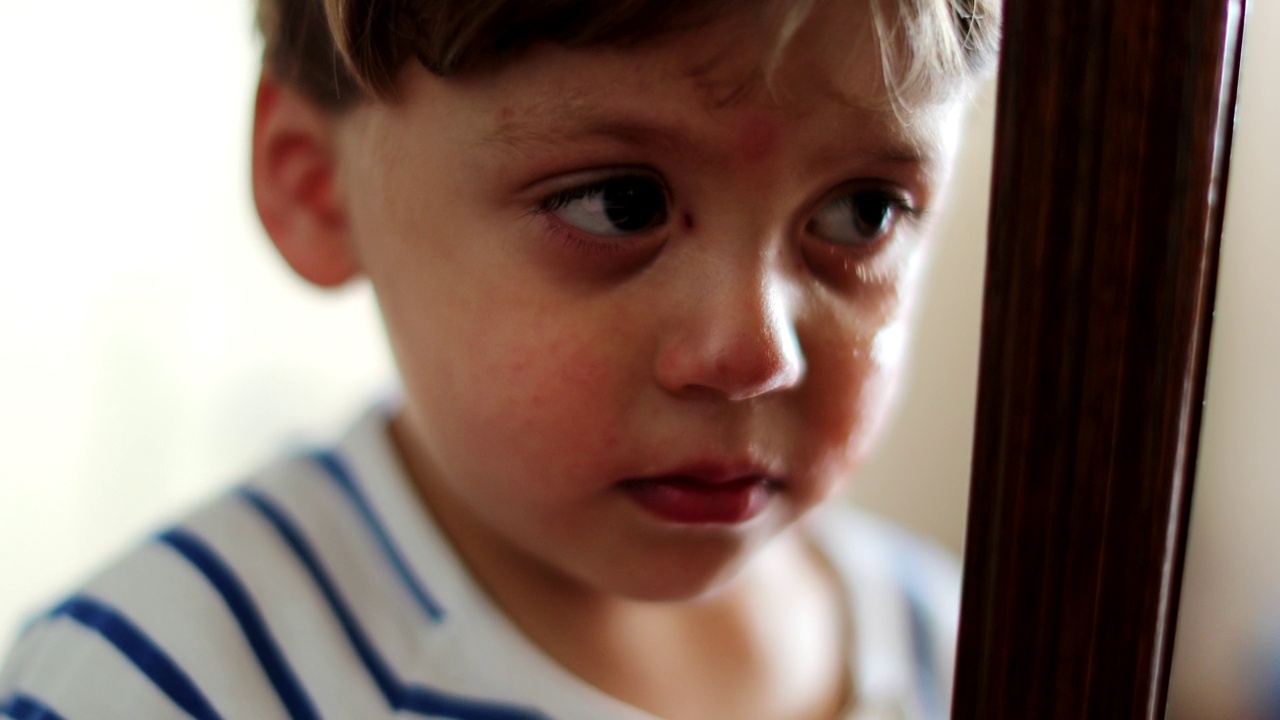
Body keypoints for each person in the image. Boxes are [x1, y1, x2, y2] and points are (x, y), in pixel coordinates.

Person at [0, 0, 999, 717]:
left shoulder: (957, 647)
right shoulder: (160, 677)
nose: (750, 354)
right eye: (619, 204)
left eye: (859, 213)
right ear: (317, 188)